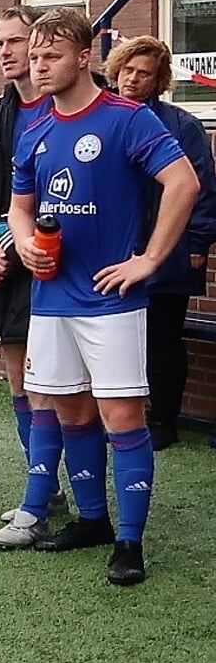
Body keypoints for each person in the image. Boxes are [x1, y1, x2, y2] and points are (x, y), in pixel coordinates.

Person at [0, 8, 198, 585]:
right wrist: (23, 242)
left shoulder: (126, 118)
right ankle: (92, 520)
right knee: (69, 409)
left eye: (51, 56)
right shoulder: (33, 128)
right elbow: (21, 204)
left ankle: (131, 544)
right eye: (34, 56)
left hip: (111, 300)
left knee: (120, 416)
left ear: (84, 56)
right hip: (51, 297)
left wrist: (150, 259)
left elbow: (183, 183)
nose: (39, 66)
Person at [0, 6, 75, 544]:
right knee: (19, 381)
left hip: (59, 269)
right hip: (3, 269)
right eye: (0, 43)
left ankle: (66, 498)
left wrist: (11, 240)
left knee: (57, 387)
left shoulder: (65, 111)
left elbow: (65, 193)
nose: (7, 52)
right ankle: (44, 490)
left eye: (17, 42)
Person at [104, 36, 216, 450]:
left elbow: (199, 187)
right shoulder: (102, 117)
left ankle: (163, 419)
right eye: (128, 70)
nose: (133, 79)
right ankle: (117, 418)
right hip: (113, 250)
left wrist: (198, 242)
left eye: (144, 73)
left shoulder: (181, 125)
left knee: (163, 340)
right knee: (116, 338)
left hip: (170, 252)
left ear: (159, 80)